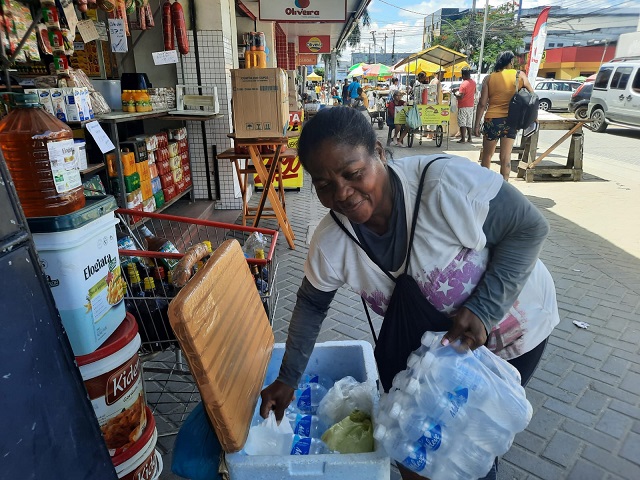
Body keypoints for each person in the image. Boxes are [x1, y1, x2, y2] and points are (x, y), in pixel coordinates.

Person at [260, 107, 559, 480]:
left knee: (467, 443)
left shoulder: (445, 184)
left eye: (353, 174)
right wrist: (288, 378)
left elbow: (529, 228)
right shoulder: (331, 242)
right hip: (441, 355)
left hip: (514, 332)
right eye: (323, 184)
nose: (342, 194)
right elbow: (311, 305)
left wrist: (483, 309)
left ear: (380, 153)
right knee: (422, 452)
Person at [474, 51, 534, 181]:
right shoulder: (519, 75)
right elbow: (532, 97)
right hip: (511, 121)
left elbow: (482, 104)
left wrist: (477, 124)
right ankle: (504, 189)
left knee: (487, 156)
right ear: (511, 62)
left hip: (492, 120)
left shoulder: (489, 78)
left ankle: (484, 187)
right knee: (506, 158)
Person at [452, 67, 477, 143]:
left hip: (463, 105)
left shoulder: (463, 84)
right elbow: (473, 92)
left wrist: (455, 94)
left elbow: (461, 97)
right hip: (470, 105)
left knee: (462, 122)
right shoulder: (473, 82)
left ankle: (463, 138)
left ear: (463, 75)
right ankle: (469, 137)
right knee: (469, 122)